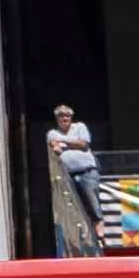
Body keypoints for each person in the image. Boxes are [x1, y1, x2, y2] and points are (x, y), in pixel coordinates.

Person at [46, 104, 108, 252]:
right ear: (57, 118)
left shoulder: (80, 127)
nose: (64, 118)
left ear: (71, 117)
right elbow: (55, 147)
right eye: (61, 116)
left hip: (87, 172)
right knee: (74, 208)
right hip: (67, 175)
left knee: (92, 202)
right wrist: (67, 143)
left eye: (67, 116)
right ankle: (84, 239)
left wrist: (64, 142)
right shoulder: (52, 133)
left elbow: (84, 144)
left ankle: (100, 232)